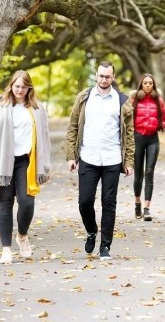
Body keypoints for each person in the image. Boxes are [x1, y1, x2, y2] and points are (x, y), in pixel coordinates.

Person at [0, 70, 51, 265]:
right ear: (11, 86)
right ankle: (6, 249)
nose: (20, 90)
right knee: (5, 203)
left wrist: (44, 166)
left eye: (23, 86)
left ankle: (22, 235)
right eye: (16, 86)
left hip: (26, 161)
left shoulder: (37, 108)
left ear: (29, 88)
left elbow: (44, 137)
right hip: (3, 160)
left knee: (27, 202)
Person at [66, 61, 135, 260]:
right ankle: (91, 230)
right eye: (101, 76)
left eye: (108, 76)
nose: (104, 80)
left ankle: (105, 246)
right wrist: (71, 156)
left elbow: (129, 134)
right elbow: (72, 128)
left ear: (113, 78)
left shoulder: (122, 101)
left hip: (112, 159)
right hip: (88, 157)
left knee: (109, 203)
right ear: (96, 76)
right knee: (84, 202)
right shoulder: (84, 98)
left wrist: (128, 161)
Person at [129, 74, 165, 222]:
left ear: (153, 85)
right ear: (141, 84)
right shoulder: (134, 100)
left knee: (149, 172)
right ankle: (137, 203)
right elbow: (127, 120)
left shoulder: (158, 101)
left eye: (150, 83)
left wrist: (159, 125)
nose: (147, 85)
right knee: (138, 174)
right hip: (138, 138)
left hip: (153, 139)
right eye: (145, 83)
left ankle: (146, 208)